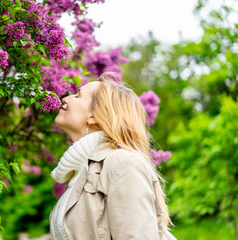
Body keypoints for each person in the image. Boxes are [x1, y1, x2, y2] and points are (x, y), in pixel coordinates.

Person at [49, 72, 177, 240]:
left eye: (77, 95)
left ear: (94, 116)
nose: (65, 99)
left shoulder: (123, 163)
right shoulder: (80, 174)